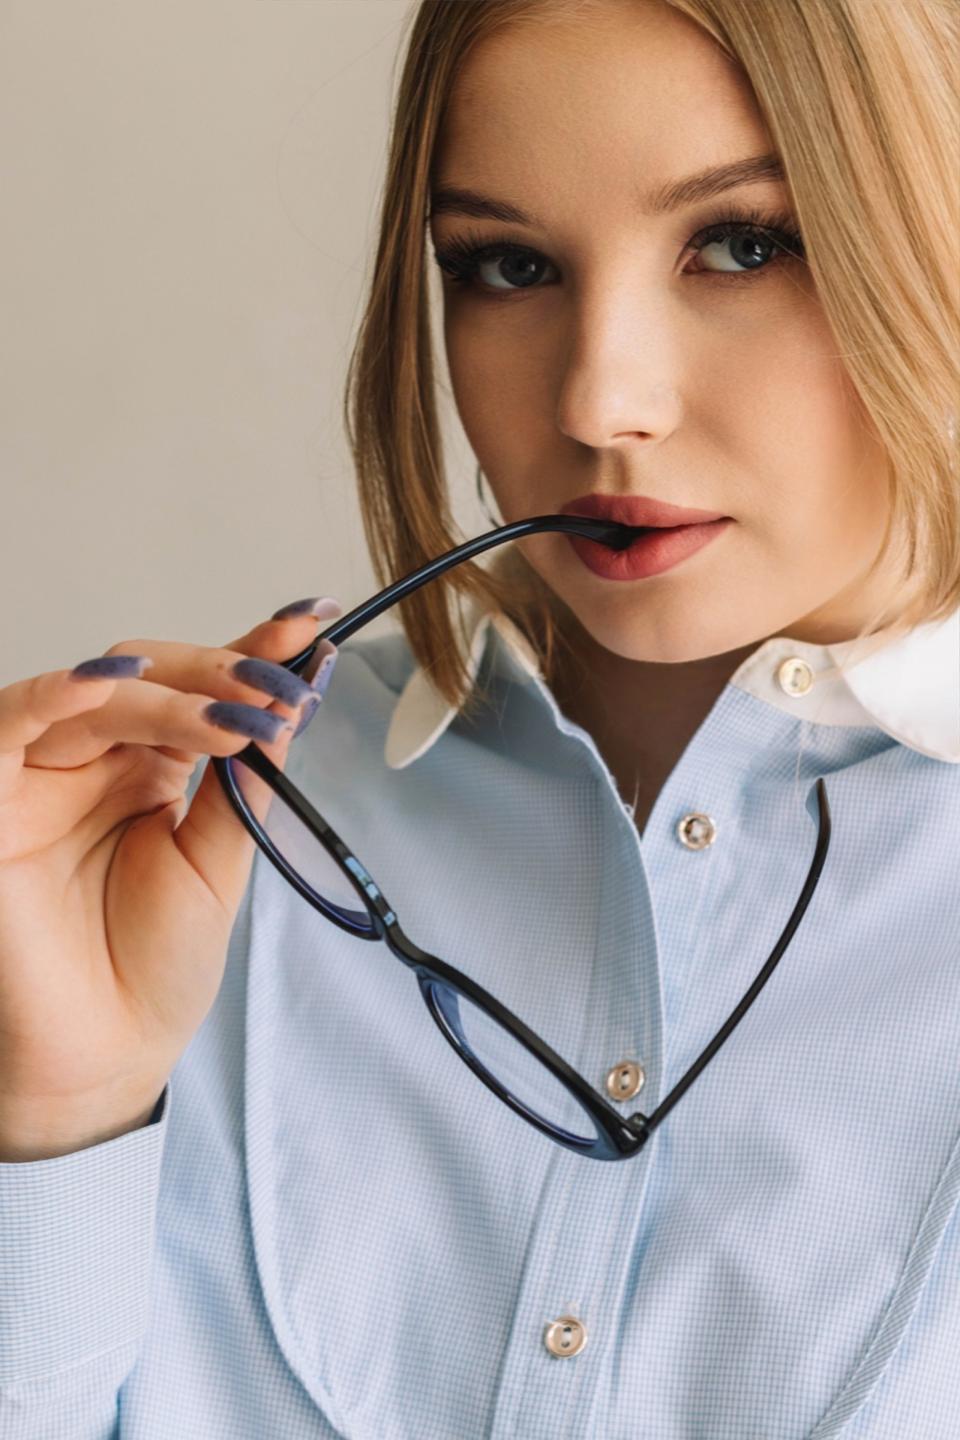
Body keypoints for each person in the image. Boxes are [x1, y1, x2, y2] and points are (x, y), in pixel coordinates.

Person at [1, 0, 957, 1435]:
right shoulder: (181, 857)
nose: (600, 400)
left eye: (745, 244)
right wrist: (56, 1121)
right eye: (508, 266)